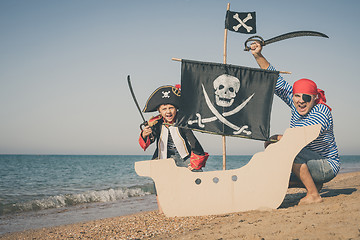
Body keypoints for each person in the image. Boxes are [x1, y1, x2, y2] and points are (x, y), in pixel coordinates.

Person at [250, 41, 340, 205]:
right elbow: (274, 79)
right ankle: (314, 185)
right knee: (273, 149)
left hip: (326, 165)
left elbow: (301, 138)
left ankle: (313, 195)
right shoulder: (295, 101)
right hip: (310, 161)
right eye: (297, 96)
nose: (300, 101)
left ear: (314, 99)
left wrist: (279, 139)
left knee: (287, 148)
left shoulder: (321, 111)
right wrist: (258, 55)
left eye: (306, 98)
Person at [139, 85, 209, 171]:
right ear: (159, 110)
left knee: (196, 174)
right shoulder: (157, 123)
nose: (168, 111)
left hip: (184, 156)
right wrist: (145, 134)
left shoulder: (182, 122)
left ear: (176, 108)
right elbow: (151, 138)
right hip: (162, 157)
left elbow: (193, 141)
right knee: (158, 179)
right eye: (164, 109)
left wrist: (196, 163)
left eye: (171, 108)